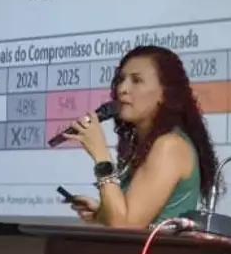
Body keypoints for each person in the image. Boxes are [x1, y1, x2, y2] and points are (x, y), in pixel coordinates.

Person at [62, 45, 219, 228]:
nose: (122, 89)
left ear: (165, 94)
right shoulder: (146, 144)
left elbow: (126, 226)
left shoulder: (170, 145)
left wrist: (100, 153)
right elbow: (131, 218)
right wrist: (100, 213)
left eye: (136, 80)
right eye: (121, 80)